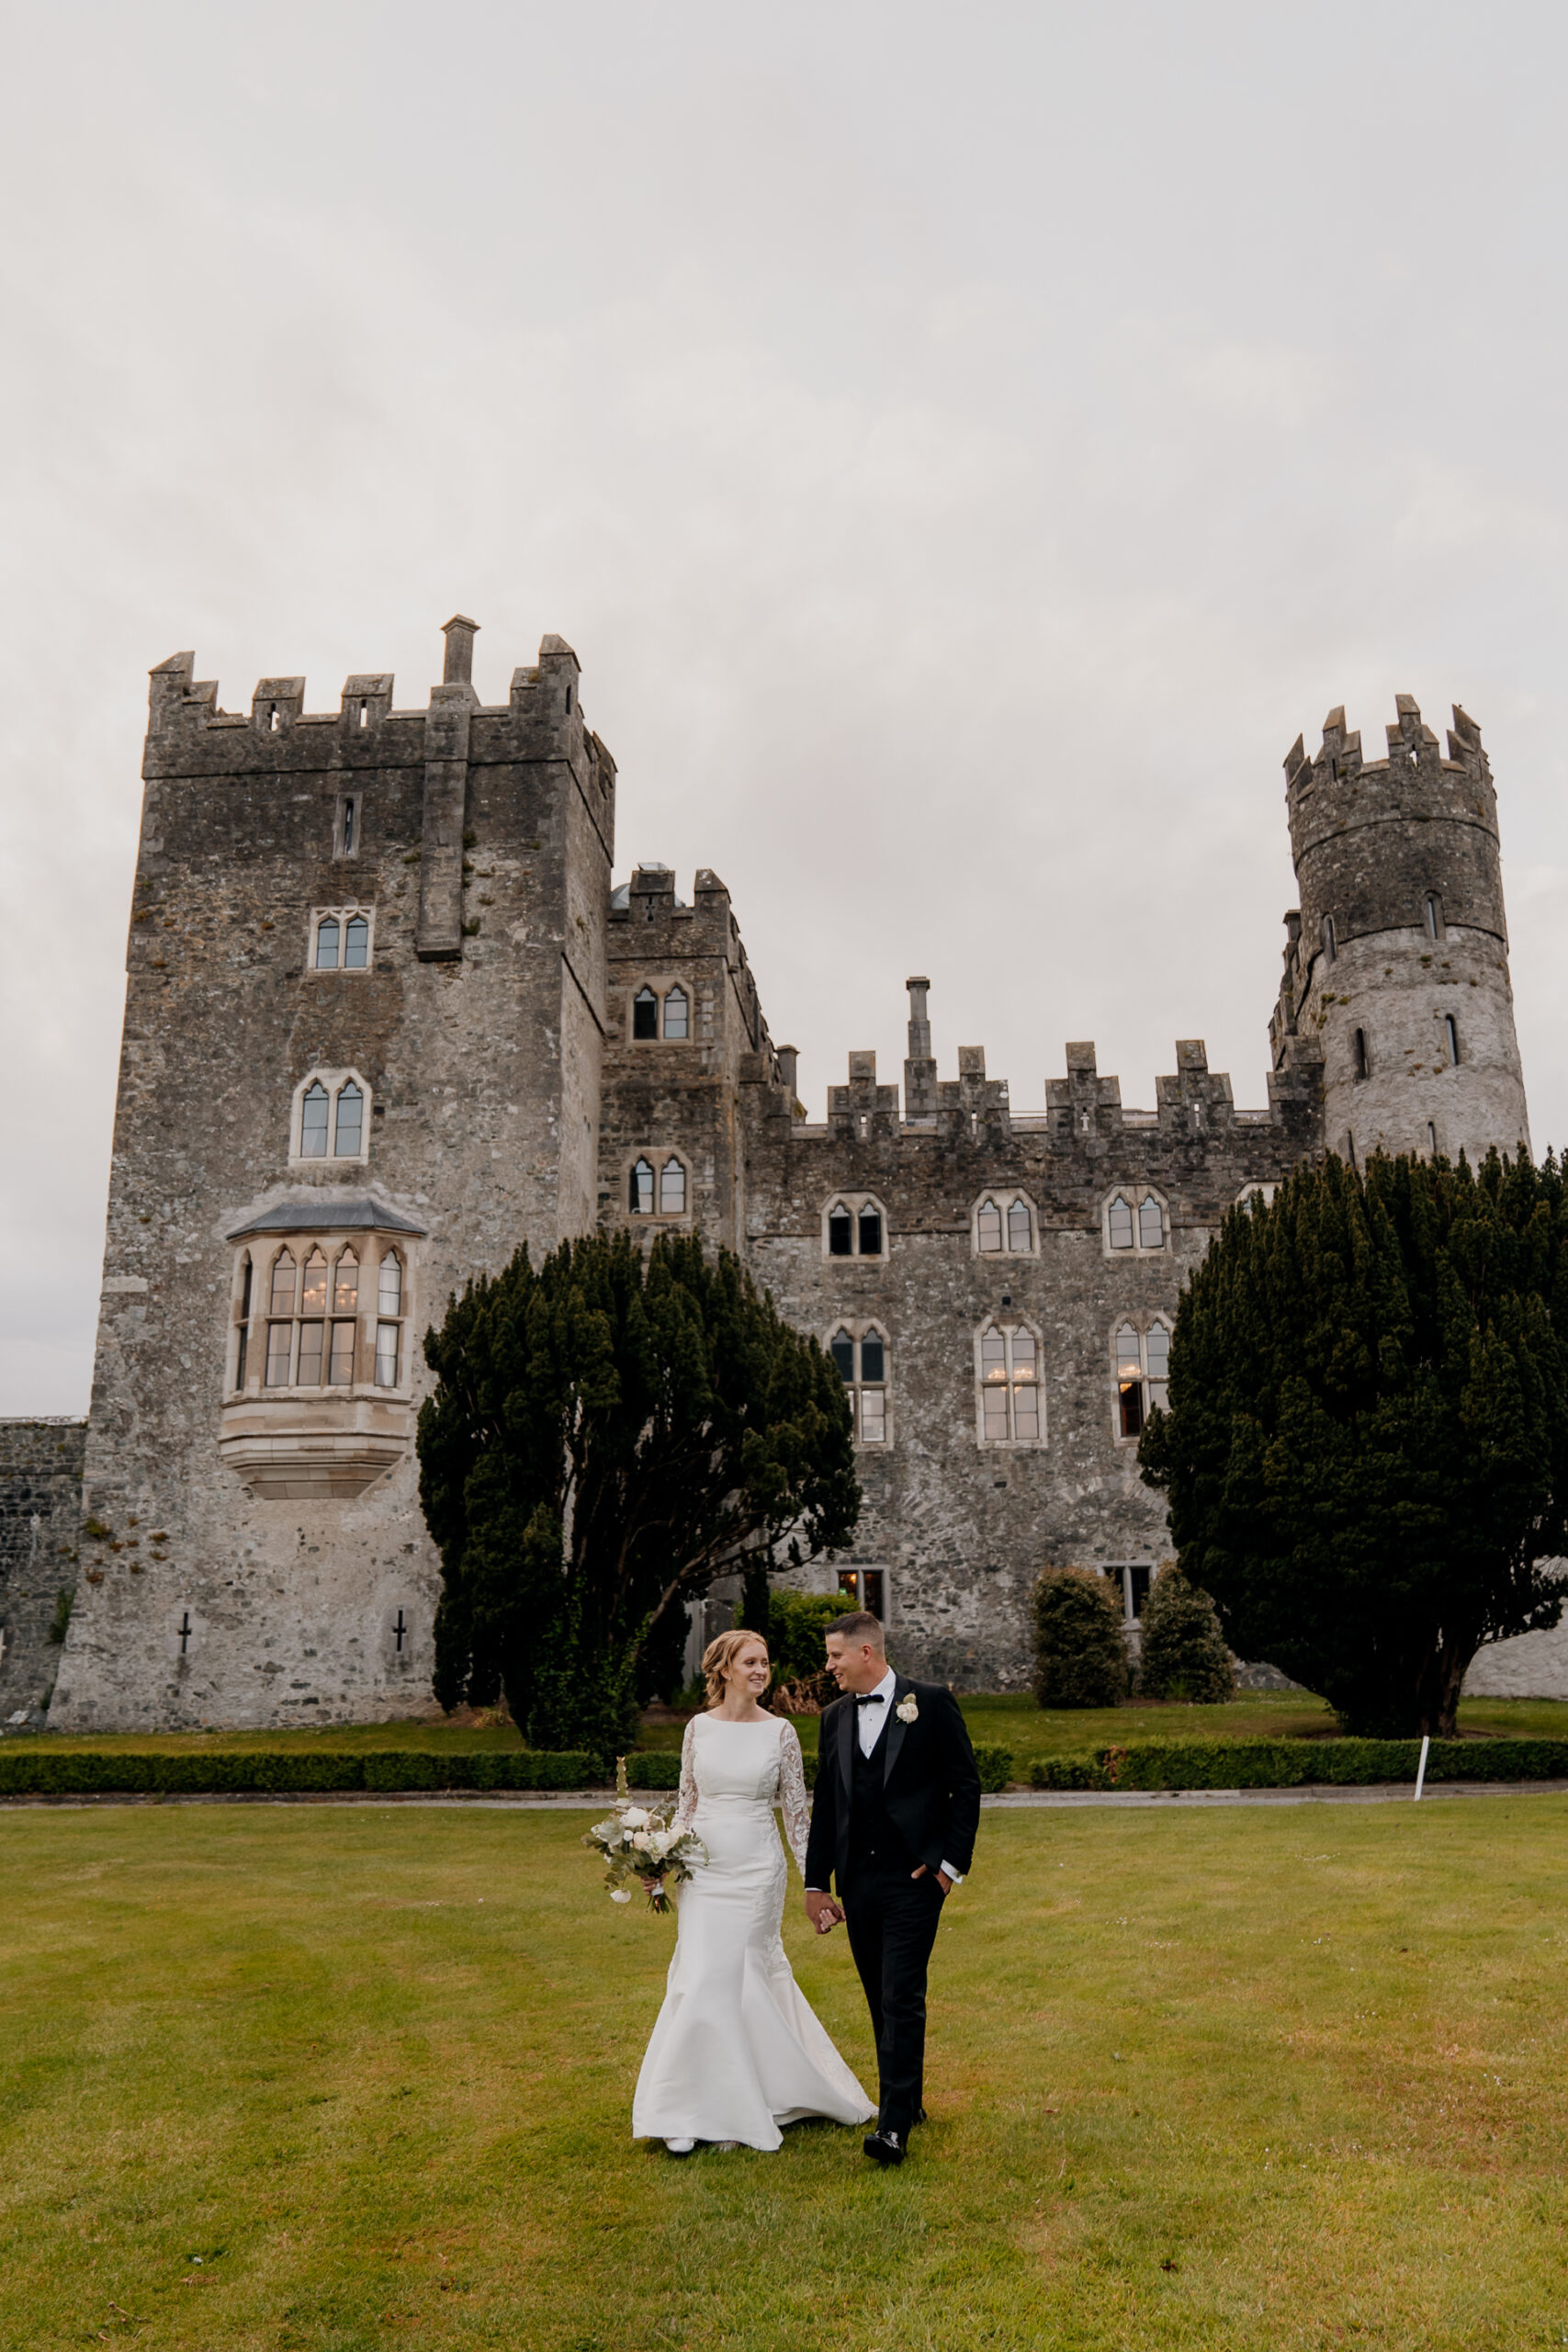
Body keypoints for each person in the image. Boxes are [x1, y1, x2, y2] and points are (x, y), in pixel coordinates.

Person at [631, 1627, 874, 2155]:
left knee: (740, 1976)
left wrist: (818, 1882)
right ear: (724, 1669)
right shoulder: (697, 1728)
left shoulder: (781, 1733)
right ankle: (683, 2109)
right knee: (697, 1979)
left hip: (757, 1869)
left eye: (765, 1662)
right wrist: (659, 1860)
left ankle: (737, 2111)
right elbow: (687, 1805)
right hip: (704, 1868)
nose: (761, 1671)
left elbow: (797, 1818)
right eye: (750, 1662)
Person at [803, 1610, 981, 2166]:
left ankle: (893, 2126)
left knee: (901, 1993)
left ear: (866, 1653)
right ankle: (911, 2099)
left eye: (835, 1655)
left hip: (914, 1881)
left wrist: (948, 1867)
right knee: (880, 1994)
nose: (828, 1666)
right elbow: (827, 1805)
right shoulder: (833, 1718)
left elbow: (965, 1786)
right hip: (859, 1883)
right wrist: (816, 1883)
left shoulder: (928, 1701)